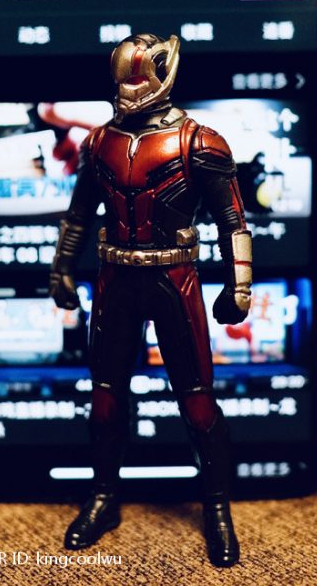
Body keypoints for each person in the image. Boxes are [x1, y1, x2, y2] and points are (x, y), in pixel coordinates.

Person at [49, 32, 252, 567]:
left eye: (139, 80)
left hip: (174, 279)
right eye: (125, 80)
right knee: (106, 397)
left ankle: (217, 507)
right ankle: (103, 497)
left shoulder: (199, 142)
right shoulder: (100, 142)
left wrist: (239, 286)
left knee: (197, 400)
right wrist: (62, 267)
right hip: (115, 277)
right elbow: (79, 213)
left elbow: (233, 221)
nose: (130, 91)